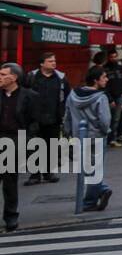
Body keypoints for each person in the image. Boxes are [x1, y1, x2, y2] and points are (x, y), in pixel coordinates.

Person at [65, 66, 113, 212]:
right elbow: (105, 120)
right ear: (95, 80)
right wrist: (106, 132)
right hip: (96, 137)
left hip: (78, 136)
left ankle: (100, 190)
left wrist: (68, 132)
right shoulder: (101, 97)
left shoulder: (73, 94)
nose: (106, 79)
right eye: (104, 77)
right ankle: (92, 199)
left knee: (86, 168)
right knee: (95, 169)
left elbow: (67, 115)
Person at [22, 52, 69, 184]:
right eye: (50, 61)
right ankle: (35, 175)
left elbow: (67, 95)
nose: (53, 63)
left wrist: (63, 112)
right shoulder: (32, 77)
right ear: (42, 63)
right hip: (34, 118)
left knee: (51, 147)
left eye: (54, 61)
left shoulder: (60, 78)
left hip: (54, 118)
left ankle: (48, 173)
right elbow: (24, 94)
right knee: (34, 147)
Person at [0, 62, 35, 232]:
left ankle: (11, 216)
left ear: (14, 77)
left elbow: (34, 122)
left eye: (3, 74)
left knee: (9, 182)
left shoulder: (28, 96)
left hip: (15, 140)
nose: (0, 77)